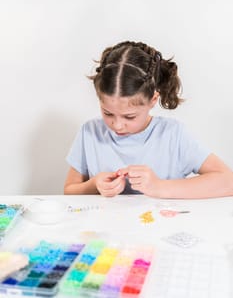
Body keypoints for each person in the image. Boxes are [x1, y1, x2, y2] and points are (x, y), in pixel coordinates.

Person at [64, 40, 233, 198]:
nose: (117, 125)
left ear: (152, 100)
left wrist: (158, 186)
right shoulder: (90, 133)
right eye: (108, 113)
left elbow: (228, 181)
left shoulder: (173, 135)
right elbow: (69, 191)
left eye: (129, 116)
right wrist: (93, 185)